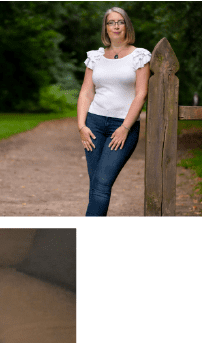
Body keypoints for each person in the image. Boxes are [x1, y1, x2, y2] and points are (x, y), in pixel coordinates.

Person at [77, 7, 151, 216]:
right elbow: (85, 93)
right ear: (106, 28)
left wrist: (125, 127)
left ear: (127, 26)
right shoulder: (96, 57)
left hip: (123, 127)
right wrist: (81, 126)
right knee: (96, 186)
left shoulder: (140, 56)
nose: (116, 26)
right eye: (111, 22)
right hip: (94, 125)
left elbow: (141, 94)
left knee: (101, 183)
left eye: (120, 22)